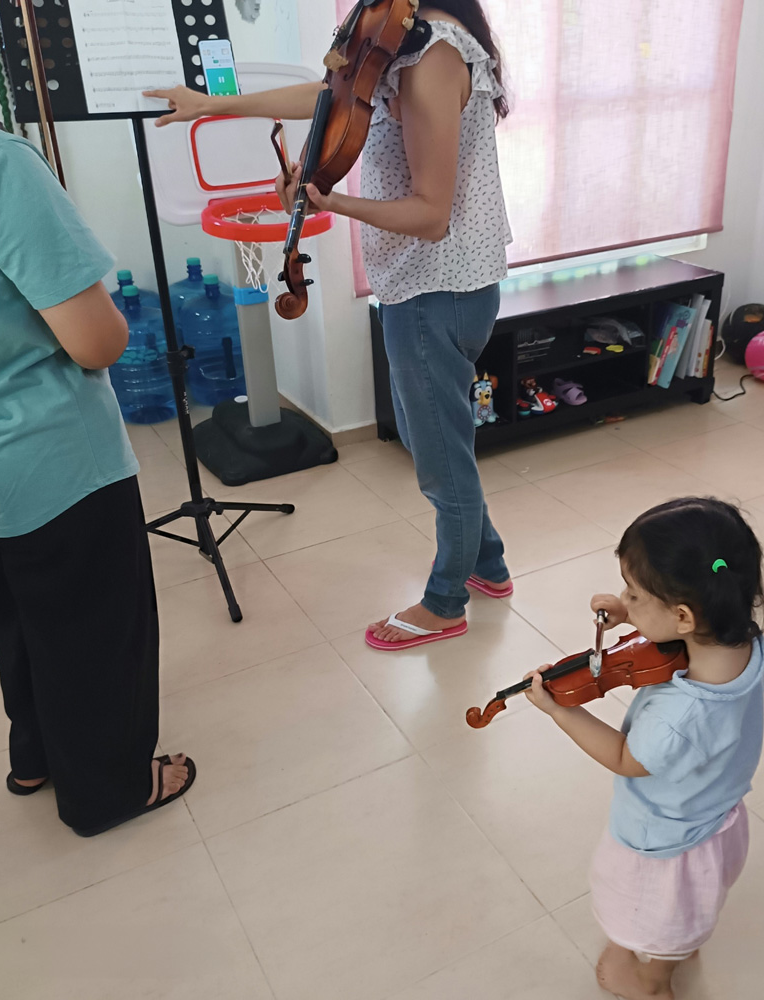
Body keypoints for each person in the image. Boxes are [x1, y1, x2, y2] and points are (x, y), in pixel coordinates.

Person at [146, 1, 513, 650]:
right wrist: (210, 106)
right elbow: (329, 94)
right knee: (442, 437)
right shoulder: (400, 41)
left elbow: (432, 215)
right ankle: (488, 564)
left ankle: (445, 601)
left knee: (439, 457)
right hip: (426, 281)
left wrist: (326, 198)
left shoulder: (435, 56)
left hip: (440, 285)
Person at [0, 0, 194, 836]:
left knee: (20, 613)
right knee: (91, 632)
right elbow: (97, 342)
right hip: (52, 469)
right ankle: (108, 788)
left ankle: (34, 754)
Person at [524, 498, 764, 1000]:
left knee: (652, 913)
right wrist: (633, 614)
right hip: (716, 814)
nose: (624, 600)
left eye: (633, 594)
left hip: (664, 839)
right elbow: (674, 627)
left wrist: (561, 710)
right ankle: (677, 944)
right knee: (686, 910)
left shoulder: (677, 719)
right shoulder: (741, 639)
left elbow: (624, 758)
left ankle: (653, 982)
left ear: (682, 615)